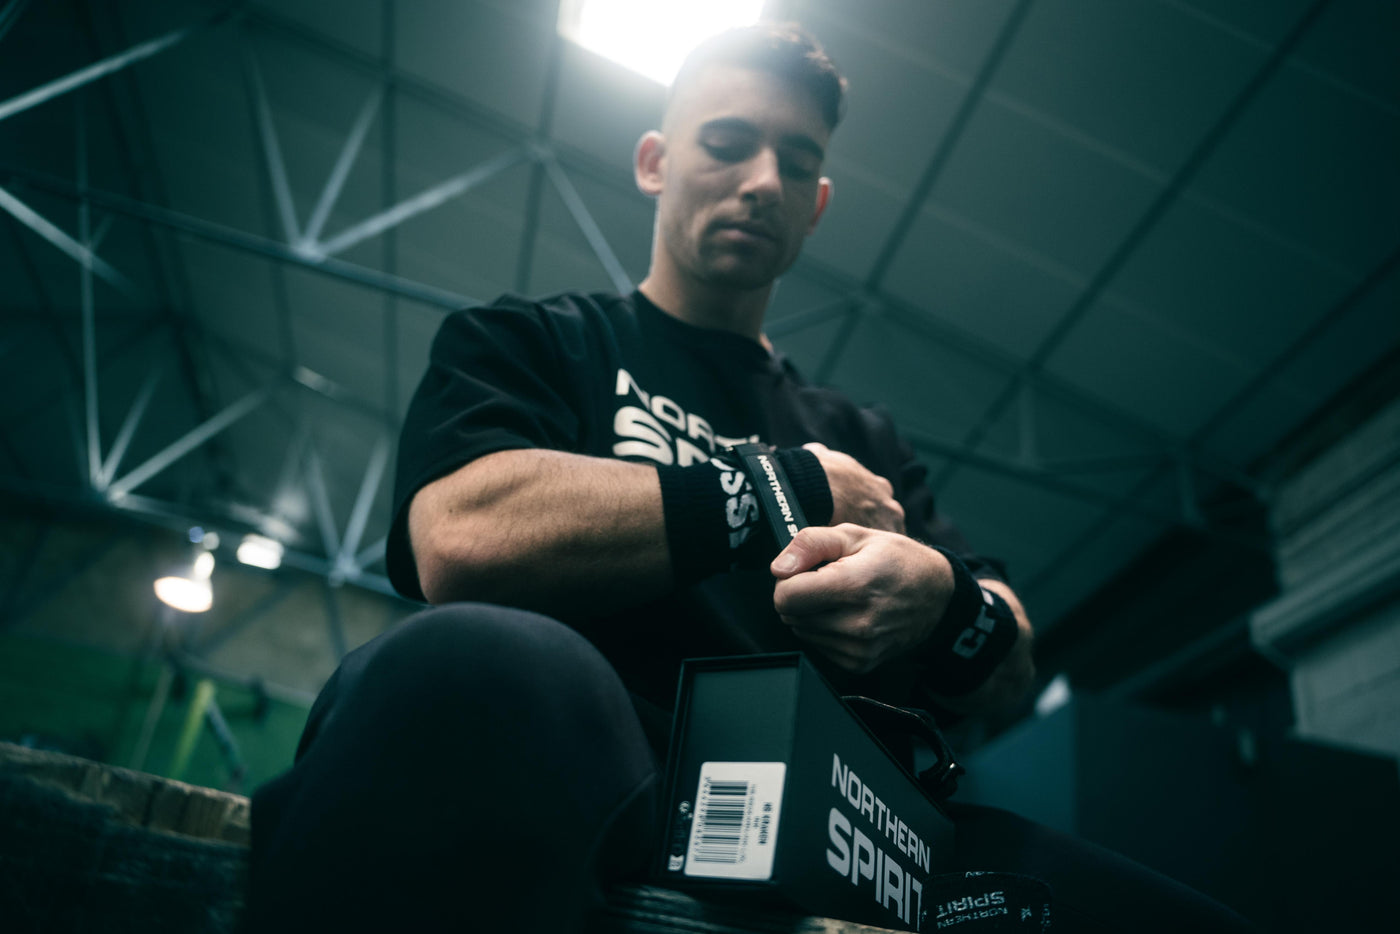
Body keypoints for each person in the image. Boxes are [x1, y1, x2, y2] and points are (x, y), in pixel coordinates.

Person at [243, 23, 1255, 934]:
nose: (760, 180)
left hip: (836, 822)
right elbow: (459, 537)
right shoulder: (533, 342)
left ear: (815, 207)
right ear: (654, 161)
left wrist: (941, 602)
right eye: (726, 143)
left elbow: (1010, 663)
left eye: (794, 163)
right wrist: (783, 493)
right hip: (597, 757)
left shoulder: (863, 438)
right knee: (468, 661)